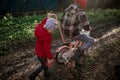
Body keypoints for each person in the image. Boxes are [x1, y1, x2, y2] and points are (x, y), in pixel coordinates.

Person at [61, 0, 94, 66]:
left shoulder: (68, 8)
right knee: (90, 40)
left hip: (64, 31)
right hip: (72, 33)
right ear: (83, 3)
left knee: (76, 35)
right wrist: (88, 28)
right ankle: (76, 56)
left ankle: (72, 50)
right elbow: (85, 24)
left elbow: (61, 20)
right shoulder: (80, 11)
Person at [29, 13, 58, 80]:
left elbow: (44, 21)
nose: (53, 31)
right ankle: (33, 75)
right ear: (50, 28)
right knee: (44, 65)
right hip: (42, 53)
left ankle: (46, 72)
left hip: (38, 50)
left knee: (45, 63)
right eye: (53, 30)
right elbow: (46, 49)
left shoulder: (41, 27)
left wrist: (48, 17)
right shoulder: (47, 36)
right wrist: (50, 58)